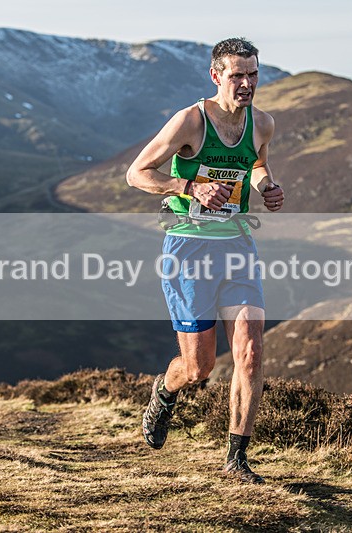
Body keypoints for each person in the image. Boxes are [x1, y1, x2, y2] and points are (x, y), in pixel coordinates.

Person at [126, 37, 284, 484]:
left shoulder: (262, 124)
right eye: (237, 75)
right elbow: (137, 173)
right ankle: (165, 388)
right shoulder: (191, 121)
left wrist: (267, 186)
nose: (247, 84)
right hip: (188, 246)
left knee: (251, 353)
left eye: (253, 74)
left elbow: (255, 164)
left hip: (236, 244)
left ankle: (237, 460)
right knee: (199, 368)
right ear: (216, 76)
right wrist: (188, 187)